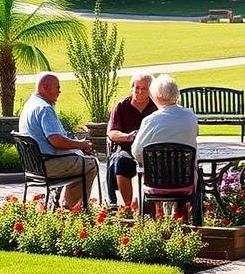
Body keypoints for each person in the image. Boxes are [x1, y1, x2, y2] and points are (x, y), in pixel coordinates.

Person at [18, 72, 98, 208]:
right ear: (45, 87)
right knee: (91, 164)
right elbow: (56, 140)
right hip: (48, 165)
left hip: (33, 166)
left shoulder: (29, 105)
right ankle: (70, 208)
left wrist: (77, 146)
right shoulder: (44, 108)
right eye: (57, 88)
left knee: (79, 159)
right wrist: (81, 145)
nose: (59, 92)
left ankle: (65, 204)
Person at [131, 74, 199, 217]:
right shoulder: (190, 116)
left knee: (148, 171)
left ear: (157, 96)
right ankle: (180, 213)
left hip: (157, 182)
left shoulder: (150, 121)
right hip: (185, 180)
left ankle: (157, 215)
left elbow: (137, 152)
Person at [106, 72, 157, 207]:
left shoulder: (155, 107)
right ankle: (128, 206)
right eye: (137, 87)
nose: (139, 91)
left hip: (151, 149)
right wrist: (127, 136)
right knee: (121, 162)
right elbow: (111, 132)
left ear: (150, 90)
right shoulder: (121, 106)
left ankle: (154, 205)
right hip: (127, 148)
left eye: (144, 88)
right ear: (132, 87)